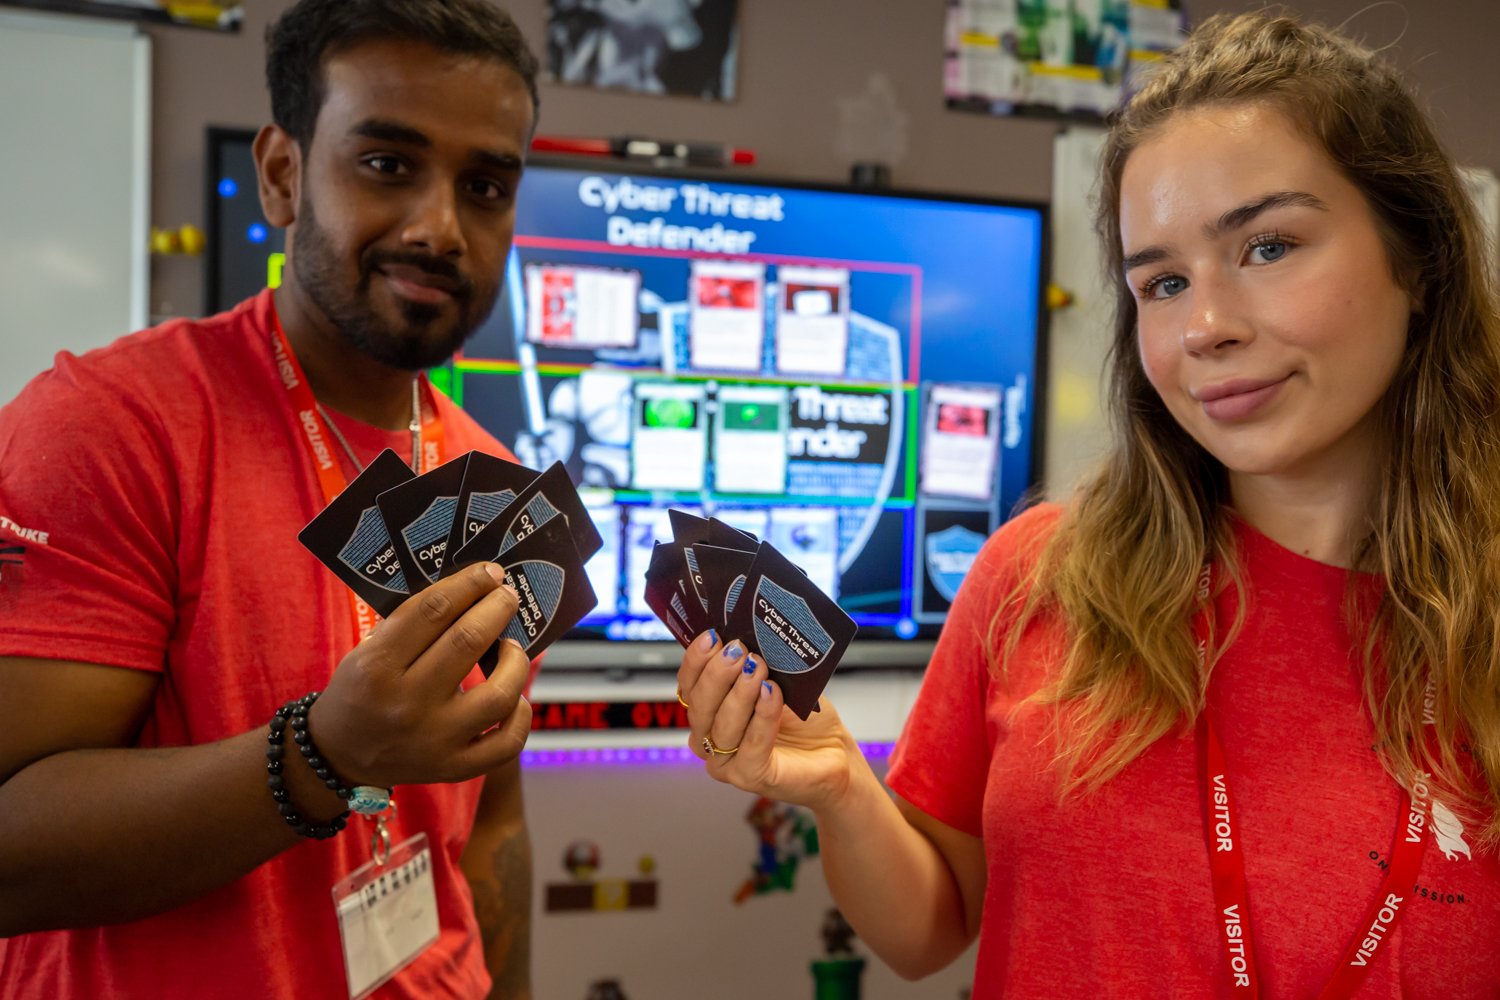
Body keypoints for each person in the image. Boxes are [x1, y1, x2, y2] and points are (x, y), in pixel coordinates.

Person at [677, 11, 1500, 997]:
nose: (1204, 326)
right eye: (1160, 282)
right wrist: (843, 790)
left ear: (1417, 259)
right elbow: (928, 928)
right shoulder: (1038, 572)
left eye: (1270, 246)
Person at [0, 2, 544, 997]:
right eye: (387, 163)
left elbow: (492, 822)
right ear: (283, 173)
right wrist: (321, 755)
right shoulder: (110, 425)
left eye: (486, 186)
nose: (439, 227)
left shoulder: (492, 483)